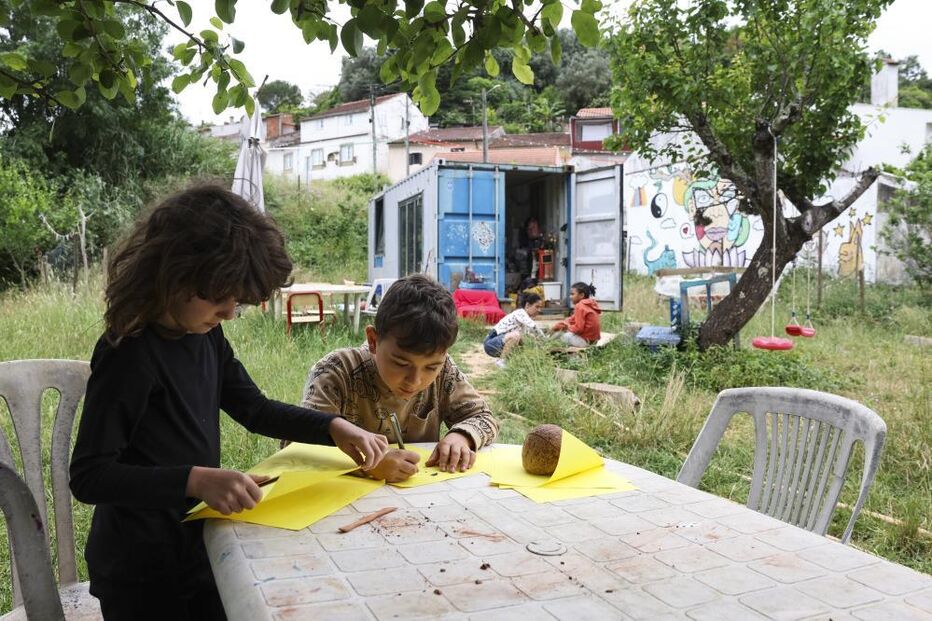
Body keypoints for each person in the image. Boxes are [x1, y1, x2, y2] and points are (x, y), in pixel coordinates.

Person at [69, 185, 389, 621]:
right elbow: (90, 476)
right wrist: (196, 480)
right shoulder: (128, 353)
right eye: (220, 297)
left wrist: (333, 427)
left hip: (200, 548)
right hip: (140, 570)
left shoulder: (205, 335)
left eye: (237, 301)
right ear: (175, 272)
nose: (230, 313)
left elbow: (254, 410)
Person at [301, 274, 500, 484]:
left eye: (431, 367)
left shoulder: (444, 371)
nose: (415, 381)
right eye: (401, 363)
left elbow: (483, 417)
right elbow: (297, 444)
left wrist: (462, 436)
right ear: (373, 341)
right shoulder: (336, 372)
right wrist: (367, 465)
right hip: (342, 498)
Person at [484, 292, 545, 365]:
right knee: (516, 335)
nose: (539, 310)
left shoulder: (525, 322)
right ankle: (501, 361)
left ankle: (513, 361)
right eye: (537, 307)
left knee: (528, 337)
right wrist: (546, 340)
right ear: (527, 305)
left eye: (540, 307)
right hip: (490, 344)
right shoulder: (520, 313)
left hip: (500, 343)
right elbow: (534, 327)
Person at [551, 282, 602, 348]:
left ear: (581, 295)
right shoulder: (588, 304)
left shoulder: (580, 306)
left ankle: (545, 345)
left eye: (572, 294)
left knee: (561, 335)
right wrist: (562, 323)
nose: (570, 297)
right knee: (563, 331)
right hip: (593, 341)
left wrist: (566, 327)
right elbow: (572, 319)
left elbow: (578, 329)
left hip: (585, 342)